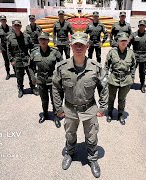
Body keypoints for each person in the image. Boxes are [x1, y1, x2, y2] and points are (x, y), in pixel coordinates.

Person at [52, 32, 108, 178]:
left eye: (81, 45)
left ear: (87, 47)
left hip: (89, 108)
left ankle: (93, 159)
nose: (78, 47)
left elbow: (104, 88)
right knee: (70, 134)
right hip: (70, 109)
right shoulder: (62, 67)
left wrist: (102, 107)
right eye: (75, 44)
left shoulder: (96, 68)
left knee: (92, 136)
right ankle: (70, 154)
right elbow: (56, 88)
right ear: (70, 46)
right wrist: (58, 108)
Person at [30, 32, 63, 127]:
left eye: (45, 39)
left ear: (48, 40)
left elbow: (62, 64)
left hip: (52, 80)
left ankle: (56, 116)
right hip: (40, 80)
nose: (43, 41)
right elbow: (30, 66)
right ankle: (45, 114)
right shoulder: (34, 52)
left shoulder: (54, 51)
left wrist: (60, 77)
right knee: (44, 99)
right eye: (41, 39)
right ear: (38, 41)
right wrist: (33, 77)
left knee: (55, 99)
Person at [104, 32, 136, 125]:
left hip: (126, 79)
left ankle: (120, 114)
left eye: (125, 41)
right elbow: (106, 66)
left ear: (127, 42)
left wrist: (132, 76)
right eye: (121, 40)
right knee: (111, 97)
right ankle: (109, 112)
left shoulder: (131, 53)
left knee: (122, 99)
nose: (123, 42)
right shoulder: (112, 52)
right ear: (118, 41)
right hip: (114, 78)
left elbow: (133, 66)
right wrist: (105, 76)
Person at [6, 20, 39, 98]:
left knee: (32, 75)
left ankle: (33, 88)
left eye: (18, 25)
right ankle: (20, 89)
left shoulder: (26, 36)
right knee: (19, 77)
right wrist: (11, 60)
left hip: (27, 59)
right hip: (17, 60)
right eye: (15, 26)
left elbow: (32, 46)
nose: (17, 27)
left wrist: (34, 55)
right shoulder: (10, 38)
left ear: (21, 26)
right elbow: (9, 50)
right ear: (13, 27)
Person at [129, 20, 146, 93]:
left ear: (145, 26)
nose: (141, 27)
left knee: (142, 72)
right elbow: (128, 45)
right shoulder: (133, 35)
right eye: (140, 25)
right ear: (138, 26)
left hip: (144, 56)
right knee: (132, 71)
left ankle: (142, 85)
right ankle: (129, 84)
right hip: (135, 55)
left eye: (143, 25)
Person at [0, 15, 14, 80]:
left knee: (13, 59)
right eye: (2, 20)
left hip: (11, 47)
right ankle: (8, 73)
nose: (3, 21)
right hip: (4, 48)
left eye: (4, 19)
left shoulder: (11, 28)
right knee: (6, 61)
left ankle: (16, 72)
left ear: (6, 20)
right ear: (0, 21)